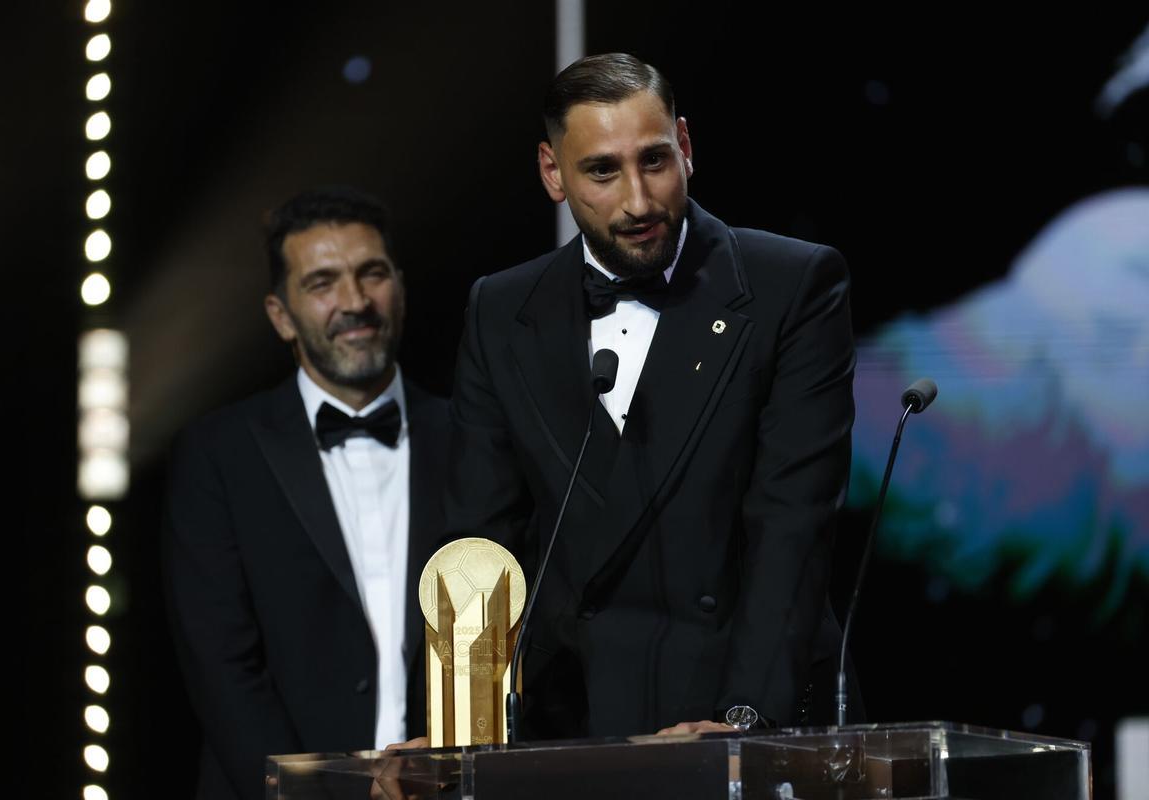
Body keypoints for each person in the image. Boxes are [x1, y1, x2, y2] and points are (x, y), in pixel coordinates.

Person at [444, 53, 860, 739]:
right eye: (602, 171)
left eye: (655, 161)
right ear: (553, 173)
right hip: (572, 721)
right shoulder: (501, 309)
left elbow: (792, 525)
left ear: (687, 149)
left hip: (739, 706)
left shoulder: (791, 285)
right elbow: (479, 537)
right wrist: (461, 726)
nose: (638, 201)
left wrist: (744, 721)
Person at [162, 187, 451, 799]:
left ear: (399, 284)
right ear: (280, 314)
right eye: (322, 283)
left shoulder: (474, 438)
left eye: (372, 274)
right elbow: (223, 673)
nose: (354, 302)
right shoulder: (218, 455)